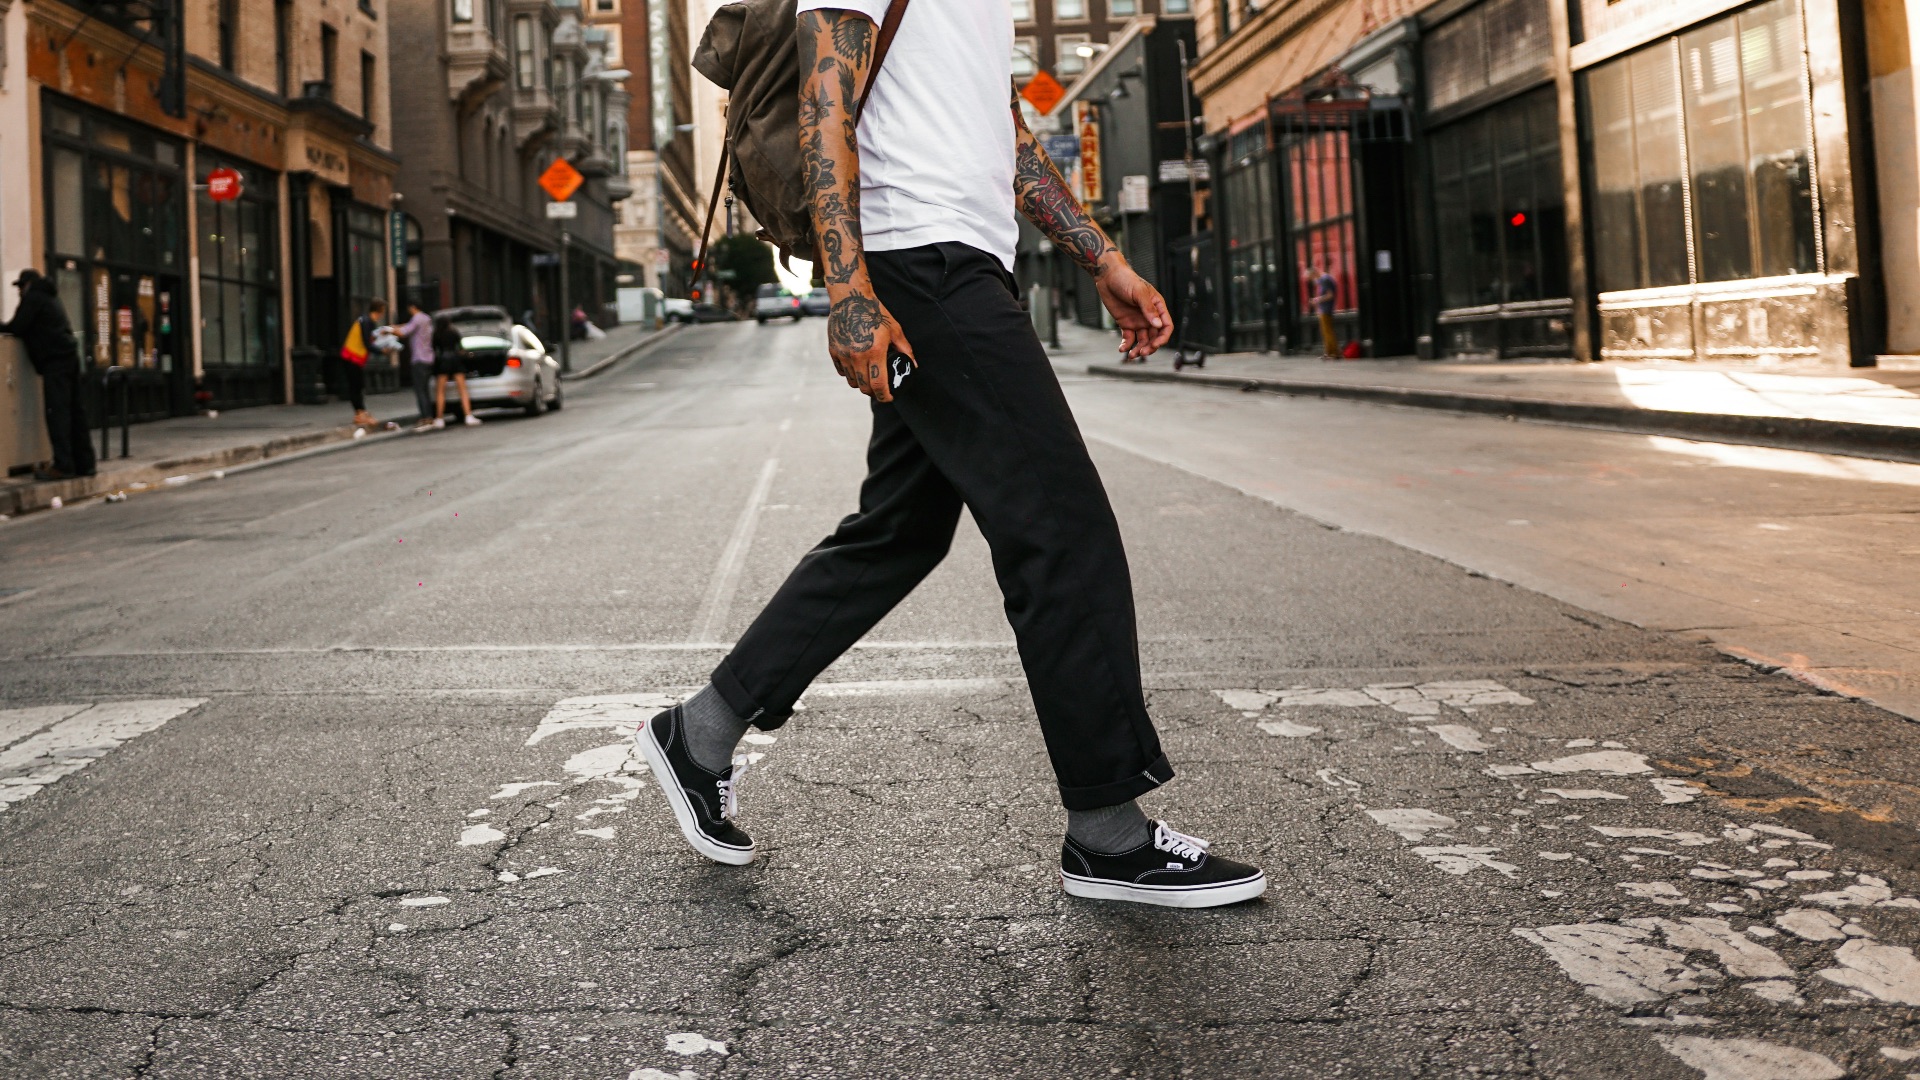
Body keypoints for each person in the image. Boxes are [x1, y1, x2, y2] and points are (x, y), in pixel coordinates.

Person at [633, 1, 1266, 909]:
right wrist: (850, 289)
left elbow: (997, 128)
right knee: (1060, 525)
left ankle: (701, 733)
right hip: (920, 262)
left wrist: (1101, 256)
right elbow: (826, 100)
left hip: (961, 259)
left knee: (901, 530)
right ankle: (1109, 834)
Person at [2, 270, 95, 481]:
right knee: (75, 413)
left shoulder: (33, 298)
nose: (18, 292)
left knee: (58, 414)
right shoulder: (50, 297)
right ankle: (85, 464)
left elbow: (17, 326)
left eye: (20, 287)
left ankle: (63, 466)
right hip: (69, 358)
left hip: (55, 362)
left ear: (27, 285)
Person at [388, 301, 439, 431]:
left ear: (412, 307)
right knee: (425, 389)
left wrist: (389, 330)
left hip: (419, 359)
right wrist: (395, 327)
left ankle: (426, 417)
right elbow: (408, 326)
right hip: (429, 358)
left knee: (420, 389)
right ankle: (429, 415)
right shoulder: (426, 319)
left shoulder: (416, 319)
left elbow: (404, 332)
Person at [339, 299, 385, 428]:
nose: (383, 314)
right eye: (383, 310)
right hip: (351, 357)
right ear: (380, 310)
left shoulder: (366, 321)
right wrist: (382, 351)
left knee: (358, 385)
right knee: (356, 386)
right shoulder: (367, 322)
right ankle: (359, 414)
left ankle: (361, 412)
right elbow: (367, 343)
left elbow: (367, 340)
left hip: (354, 357)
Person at [430, 315, 480, 427]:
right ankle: (468, 415)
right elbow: (461, 347)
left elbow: (434, 350)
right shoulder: (454, 332)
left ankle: (439, 418)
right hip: (456, 361)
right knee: (462, 390)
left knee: (440, 391)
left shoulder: (436, 334)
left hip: (443, 362)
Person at [1310, 264, 1339, 359]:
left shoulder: (1324, 280)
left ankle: (1333, 353)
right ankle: (1329, 352)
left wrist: (1317, 300)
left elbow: (1330, 295)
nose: (1313, 280)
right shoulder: (1323, 280)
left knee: (1328, 331)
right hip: (1324, 309)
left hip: (1326, 309)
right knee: (1326, 331)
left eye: (1311, 277)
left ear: (1314, 274)